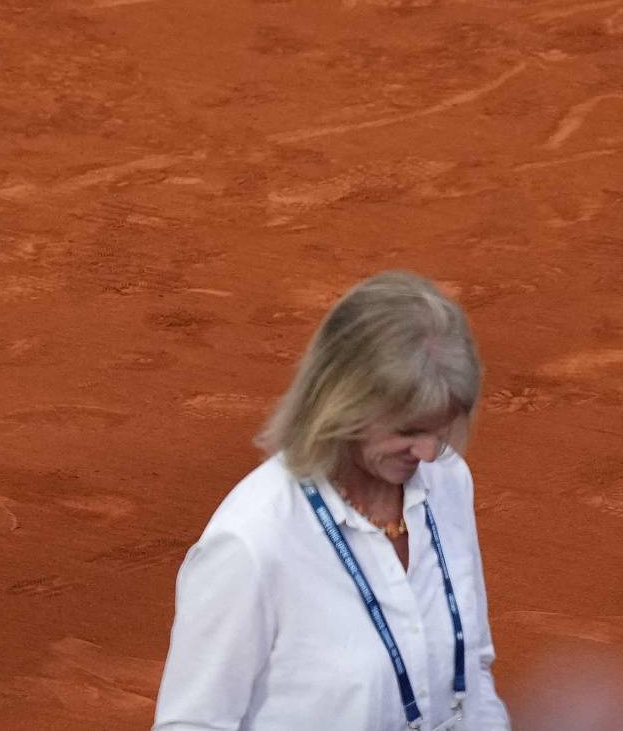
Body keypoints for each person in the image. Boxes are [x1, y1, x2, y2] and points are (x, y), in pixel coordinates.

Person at [154, 271, 509, 731]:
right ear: (341, 405)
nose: (426, 453)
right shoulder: (251, 545)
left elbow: (472, 674)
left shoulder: (447, 482)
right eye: (407, 431)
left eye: (438, 432)